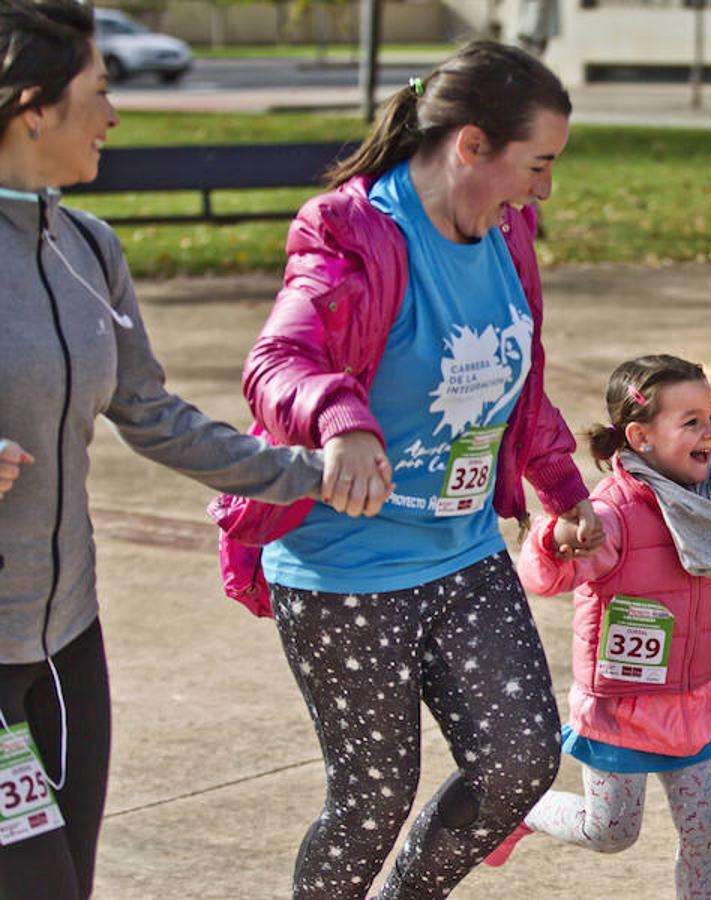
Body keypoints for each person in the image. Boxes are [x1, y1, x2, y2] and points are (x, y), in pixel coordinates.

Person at [230, 41, 602, 900]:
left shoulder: (509, 232)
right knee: (371, 800)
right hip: (343, 568)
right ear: (471, 146)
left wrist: (566, 490)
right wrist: (341, 419)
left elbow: (521, 378)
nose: (545, 188)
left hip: (461, 552)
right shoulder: (351, 233)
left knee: (519, 765)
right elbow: (276, 360)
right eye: (537, 164)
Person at [0, 1, 336, 897]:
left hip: (66, 634)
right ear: (34, 106)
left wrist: (310, 477)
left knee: (68, 878)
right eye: (99, 94)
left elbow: (152, 413)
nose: (114, 116)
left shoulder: (86, 247)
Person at [481, 354, 711, 899]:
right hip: (620, 712)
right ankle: (523, 812)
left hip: (691, 709)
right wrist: (555, 539)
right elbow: (543, 577)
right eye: (691, 420)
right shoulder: (613, 513)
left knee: (705, 840)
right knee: (610, 832)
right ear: (640, 437)